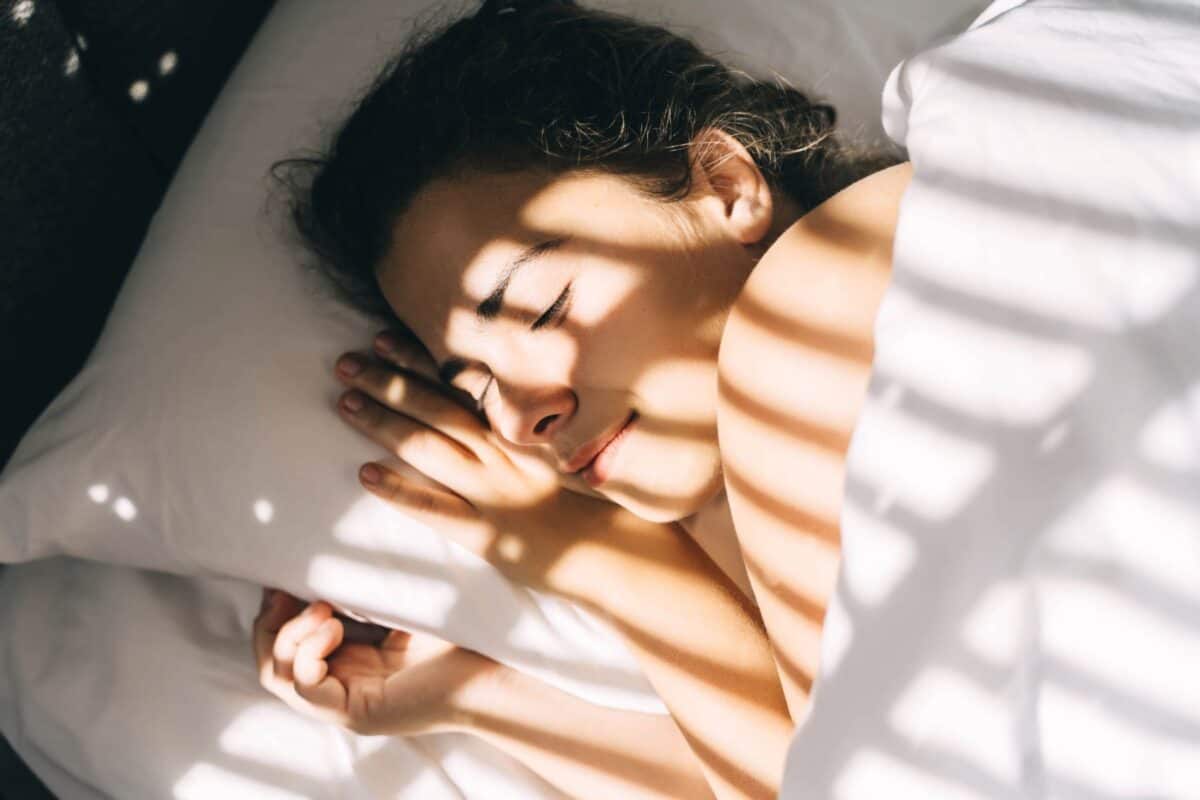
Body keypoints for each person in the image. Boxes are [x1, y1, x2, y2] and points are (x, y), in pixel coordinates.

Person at [259, 0, 908, 797]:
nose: (513, 418)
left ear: (727, 185)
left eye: (541, 307)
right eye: (473, 384)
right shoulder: (715, 504)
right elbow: (794, 765)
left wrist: (614, 569)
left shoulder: (838, 273)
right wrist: (475, 695)